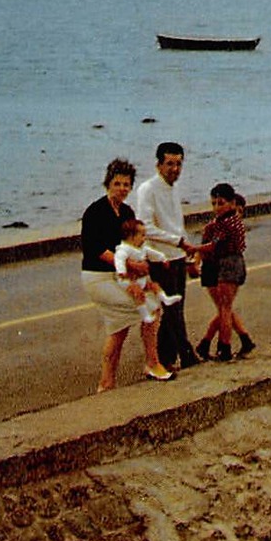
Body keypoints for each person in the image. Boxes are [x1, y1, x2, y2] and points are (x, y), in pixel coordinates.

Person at [81, 158, 170, 388]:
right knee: (147, 308)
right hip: (98, 277)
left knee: (120, 328)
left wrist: (144, 273)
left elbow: (137, 245)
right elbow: (95, 249)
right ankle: (152, 363)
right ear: (108, 183)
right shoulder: (95, 211)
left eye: (126, 184)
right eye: (117, 183)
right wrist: (130, 266)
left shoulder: (127, 211)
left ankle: (107, 383)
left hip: (120, 277)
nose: (122, 188)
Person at [133, 141, 200, 371]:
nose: (175, 169)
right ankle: (186, 353)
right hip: (160, 259)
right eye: (170, 164)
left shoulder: (173, 188)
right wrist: (178, 242)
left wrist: (187, 254)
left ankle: (166, 358)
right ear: (158, 164)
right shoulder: (147, 189)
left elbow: (177, 225)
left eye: (179, 164)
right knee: (171, 309)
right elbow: (145, 227)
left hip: (178, 256)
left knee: (176, 308)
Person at [194, 184, 251, 362]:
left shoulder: (225, 224)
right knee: (224, 309)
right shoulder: (218, 224)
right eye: (214, 204)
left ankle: (222, 346)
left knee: (224, 310)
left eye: (220, 203)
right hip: (217, 265)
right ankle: (240, 340)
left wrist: (191, 249)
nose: (217, 208)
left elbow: (211, 246)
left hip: (225, 264)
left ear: (232, 204)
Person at [113, 218, 183, 324]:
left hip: (142, 278)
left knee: (154, 285)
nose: (144, 238)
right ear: (131, 236)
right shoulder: (124, 249)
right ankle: (145, 314)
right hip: (128, 280)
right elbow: (119, 259)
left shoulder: (142, 248)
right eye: (142, 235)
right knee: (138, 293)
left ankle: (165, 298)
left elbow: (153, 253)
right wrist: (121, 271)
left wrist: (163, 258)